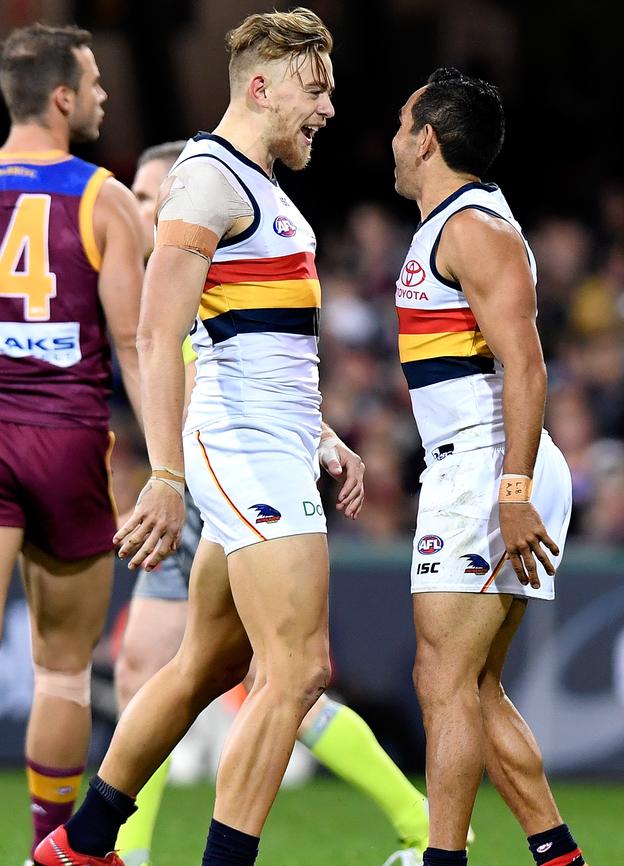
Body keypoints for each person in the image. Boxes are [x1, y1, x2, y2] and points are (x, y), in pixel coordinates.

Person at [35, 10, 364, 866]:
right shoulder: (207, 177)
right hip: (241, 449)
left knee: (207, 662)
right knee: (297, 672)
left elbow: (250, 336)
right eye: (315, 87)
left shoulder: (256, 183)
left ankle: (83, 842)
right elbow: (155, 331)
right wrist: (167, 473)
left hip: (274, 440)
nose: (327, 107)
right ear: (262, 86)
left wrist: (320, 431)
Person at [113, 140, 434, 866]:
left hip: (214, 484)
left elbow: (231, 377)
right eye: (134, 194)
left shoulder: (195, 259)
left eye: (150, 194)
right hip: (200, 481)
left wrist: (167, 472)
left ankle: (412, 815)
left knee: (271, 675)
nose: (140, 207)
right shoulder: (147, 274)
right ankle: (118, 848)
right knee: (196, 669)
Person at [391, 68, 587, 866]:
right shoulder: (456, 223)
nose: (393, 140)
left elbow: (528, 368)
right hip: (480, 463)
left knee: (441, 679)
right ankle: (559, 856)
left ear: (428, 138)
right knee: (469, 686)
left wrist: (510, 492)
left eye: (403, 124)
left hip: (487, 463)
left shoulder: (472, 229)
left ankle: (443, 861)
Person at [0, 23, 144, 865]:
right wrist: (164, 465)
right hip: (66, 437)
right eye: (92, 83)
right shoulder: (103, 197)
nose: (101, 96)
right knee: (61, 669)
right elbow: (139, 346)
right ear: (61, 98)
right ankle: (49, 852)